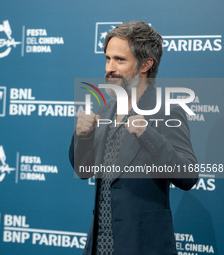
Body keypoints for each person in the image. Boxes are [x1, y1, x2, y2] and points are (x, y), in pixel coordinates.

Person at [69, 21, 198, 255]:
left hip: (143, 246)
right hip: (99, 246)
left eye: (120, 60)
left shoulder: (167, 111)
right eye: (108, 59)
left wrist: (146, 133)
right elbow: (83, 171)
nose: (110, 67)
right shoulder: (105, 109)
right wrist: (82, 136)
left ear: (145, 65)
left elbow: (188, 176)